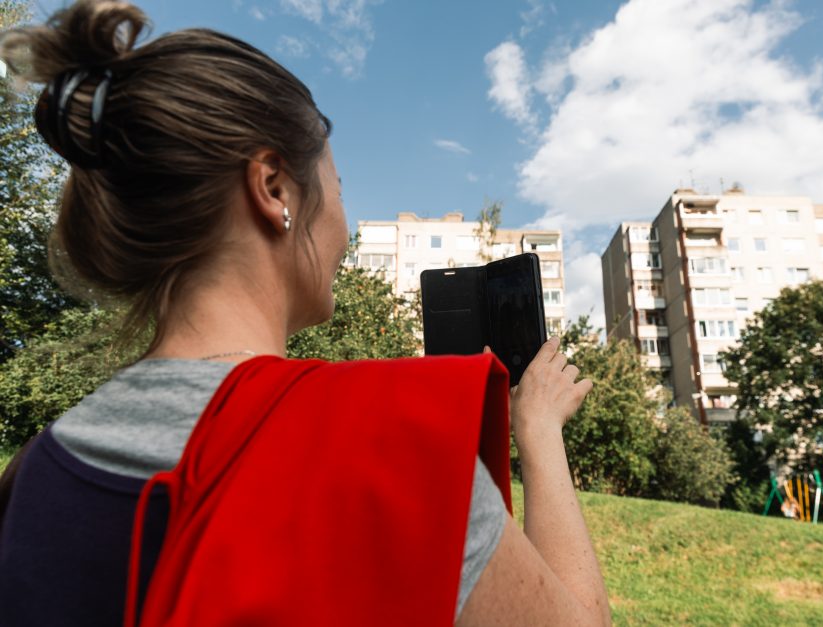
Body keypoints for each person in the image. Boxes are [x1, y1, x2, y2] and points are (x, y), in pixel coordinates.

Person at [0, 1, 612, 625]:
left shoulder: (36, 469)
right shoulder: (385, 444)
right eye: (339, 189)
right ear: (271, 189)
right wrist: (538, 432)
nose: (343, 225)